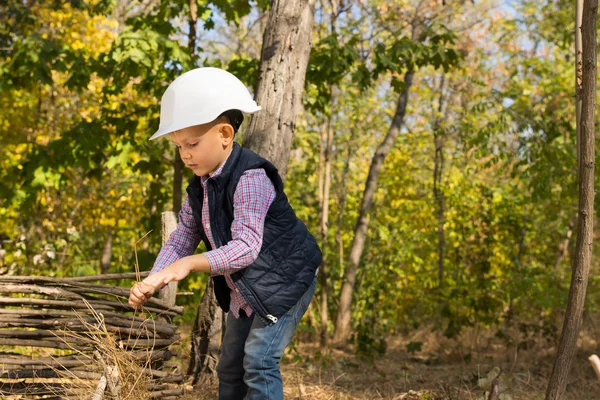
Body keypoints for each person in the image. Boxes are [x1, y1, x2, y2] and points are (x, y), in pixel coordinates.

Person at [128, 67, 322, 400]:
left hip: (286, 281)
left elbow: (246, 247)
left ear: (225, 134)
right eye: (178, 146)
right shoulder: (199, 187)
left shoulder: (251, 177)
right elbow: (183, 236)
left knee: (259, 362)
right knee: (229, 366)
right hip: (248, 289)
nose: (185, 153)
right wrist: (156, 277)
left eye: (192, 143)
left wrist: (188, 264)